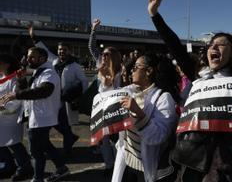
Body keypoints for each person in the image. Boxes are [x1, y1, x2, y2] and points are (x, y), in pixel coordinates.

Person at [148, 0, 232, 181]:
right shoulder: (198, 78)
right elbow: (176, 48)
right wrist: (155, 15)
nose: (213, 47)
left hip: (224, 166)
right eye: (211, 44)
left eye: (221, 45)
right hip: (189, 163)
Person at [108, 52, 180, 182]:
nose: (131, 71)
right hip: (126, 161)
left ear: (148, 71)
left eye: (136, 67)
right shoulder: (130, 91)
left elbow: (159, 136)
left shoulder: (164, 98)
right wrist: (108, 85)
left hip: (145, 168)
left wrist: (139, 113)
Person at [2, 47, 69, 182]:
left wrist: (16, 94)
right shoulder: (39, 72)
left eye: (32, 57)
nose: (28, 59)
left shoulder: (48, 73)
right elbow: (31, 90)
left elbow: (44, 91)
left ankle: (37, 178)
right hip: (38, 117)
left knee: (36, 152)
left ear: (42, 58)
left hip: (42, 118)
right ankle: (62, 168)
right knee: (45, 146)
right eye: (28, 56)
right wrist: (21, 81)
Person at [88, 18, 123, 170]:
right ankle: (109, 165)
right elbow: (91, 47)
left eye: (107, 54)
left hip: (113, 106)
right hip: (99, 105)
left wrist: (102, 72)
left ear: (113, 57)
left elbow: (109, 84)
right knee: (103, 137)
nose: (104, 56)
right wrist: (93, 30)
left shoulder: (118, 71)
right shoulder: (99, 62)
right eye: (103, 54)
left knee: (116, 136)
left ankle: (120, 164)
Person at [0, 53, 33, 181]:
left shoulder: (14, 79)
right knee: (1, 145)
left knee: (14, 144)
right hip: (1, 118)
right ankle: (8, 166)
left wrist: (2, 107)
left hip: (10, 118)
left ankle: (25, 168)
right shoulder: (1, 77)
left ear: (6, 64)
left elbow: (17, 100)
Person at [52, 42, 88, 155]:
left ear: (69, 51)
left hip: (66, 98)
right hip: (55, 97)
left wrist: (82, 97)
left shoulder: (75, 66)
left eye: (64, 49)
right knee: (55, 122)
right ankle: (71, 137)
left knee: (64, 123)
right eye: (60, 49)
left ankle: (67, 150)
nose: (61, 51)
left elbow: (84, 81)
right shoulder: (54, 63)